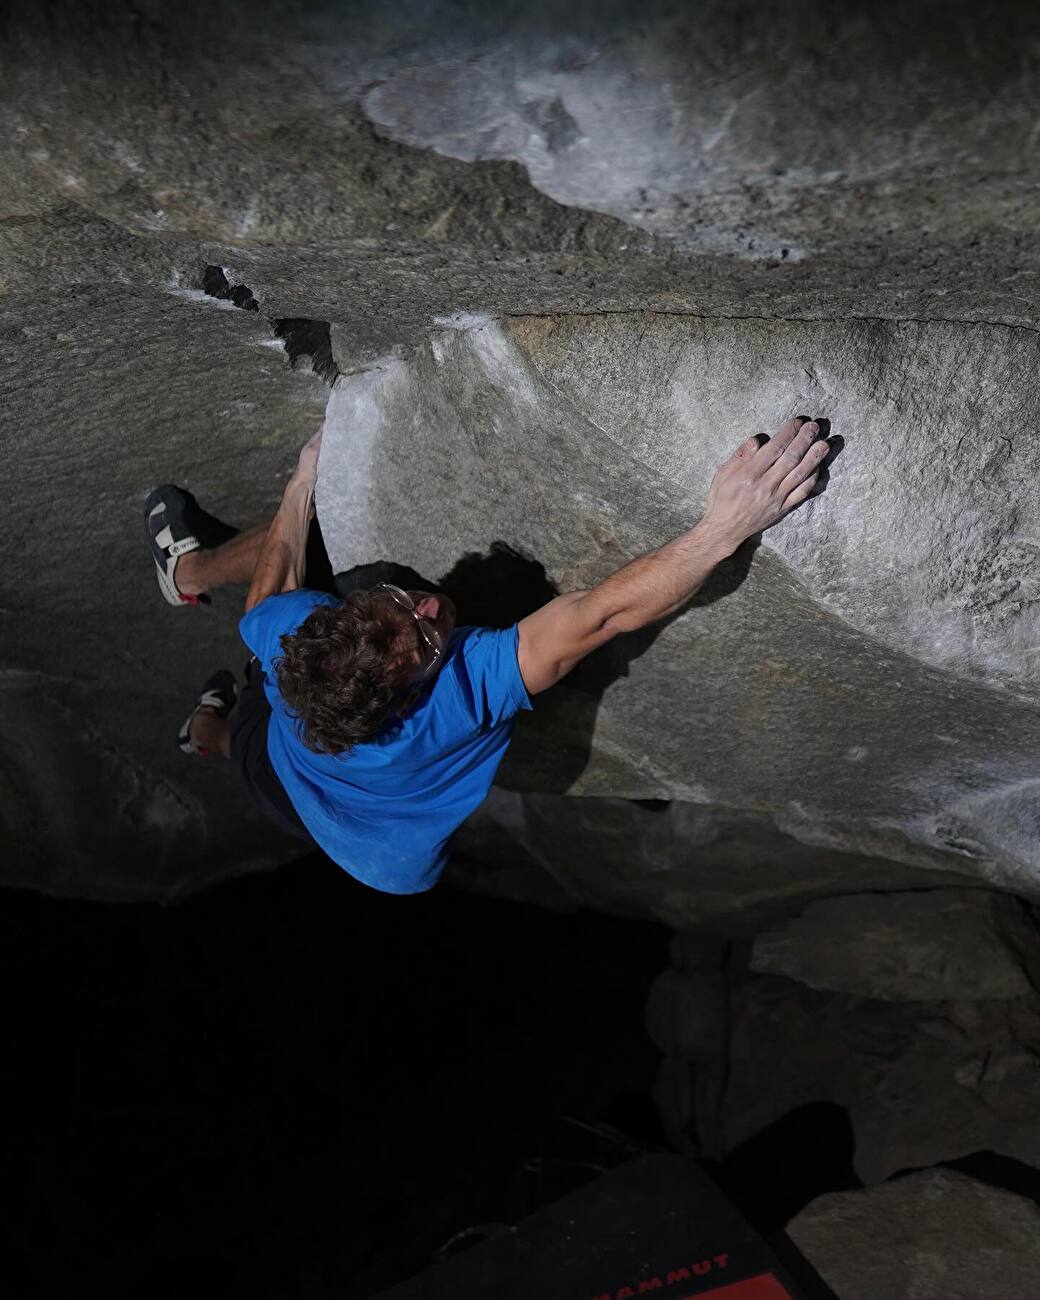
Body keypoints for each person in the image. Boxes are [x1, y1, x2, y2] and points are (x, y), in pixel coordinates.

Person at [145, 417, 830, 894]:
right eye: (428, 640)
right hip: (307, 802)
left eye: (404, 604)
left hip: (311, 752)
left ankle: (191, 584)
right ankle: (203, 716)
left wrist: (303, 482)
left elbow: (265, 603)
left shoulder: (304, 630)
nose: (433, 607)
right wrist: (726, 526)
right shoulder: (460, 696)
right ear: (411, 697)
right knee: (239, 729)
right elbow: (602, 615)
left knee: (281, 638)